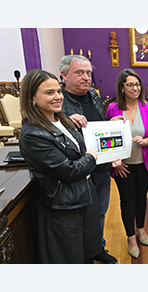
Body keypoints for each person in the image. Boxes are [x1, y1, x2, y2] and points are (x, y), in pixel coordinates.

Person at [19, 69, 101, 263]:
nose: (57, 97)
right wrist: (91, 158)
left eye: (58, 91)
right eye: (49, 93)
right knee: (69, 258)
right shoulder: (33, 134)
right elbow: (69, 170)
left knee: (86, 252)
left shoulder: (61, 120)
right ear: (32, 98)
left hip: (82, 196)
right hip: (63, 205)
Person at [60, 55, 119, 264]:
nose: (86, 77)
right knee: (81, 216)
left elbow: (96, 127)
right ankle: (83, 255)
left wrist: (110, 123)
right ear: (64, 74)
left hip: (101, 166)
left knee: (100, 211)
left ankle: (97, 248)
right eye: (79, 73)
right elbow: (46, 128)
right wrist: (66, 121)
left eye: (88, 73)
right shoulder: (58, 100)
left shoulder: (93, 95)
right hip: (78, 170)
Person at [105, 69, 148, 258]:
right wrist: (114, 161)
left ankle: (141, 228)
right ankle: (131, 236)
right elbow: (104, 138)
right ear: (122, 87)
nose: (135, 88)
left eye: (137, 84)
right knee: (127, 201)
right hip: (122, 165)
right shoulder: (112, 108)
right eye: (130, 85)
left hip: (144, 162)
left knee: (141, 198)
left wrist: (147, 141)